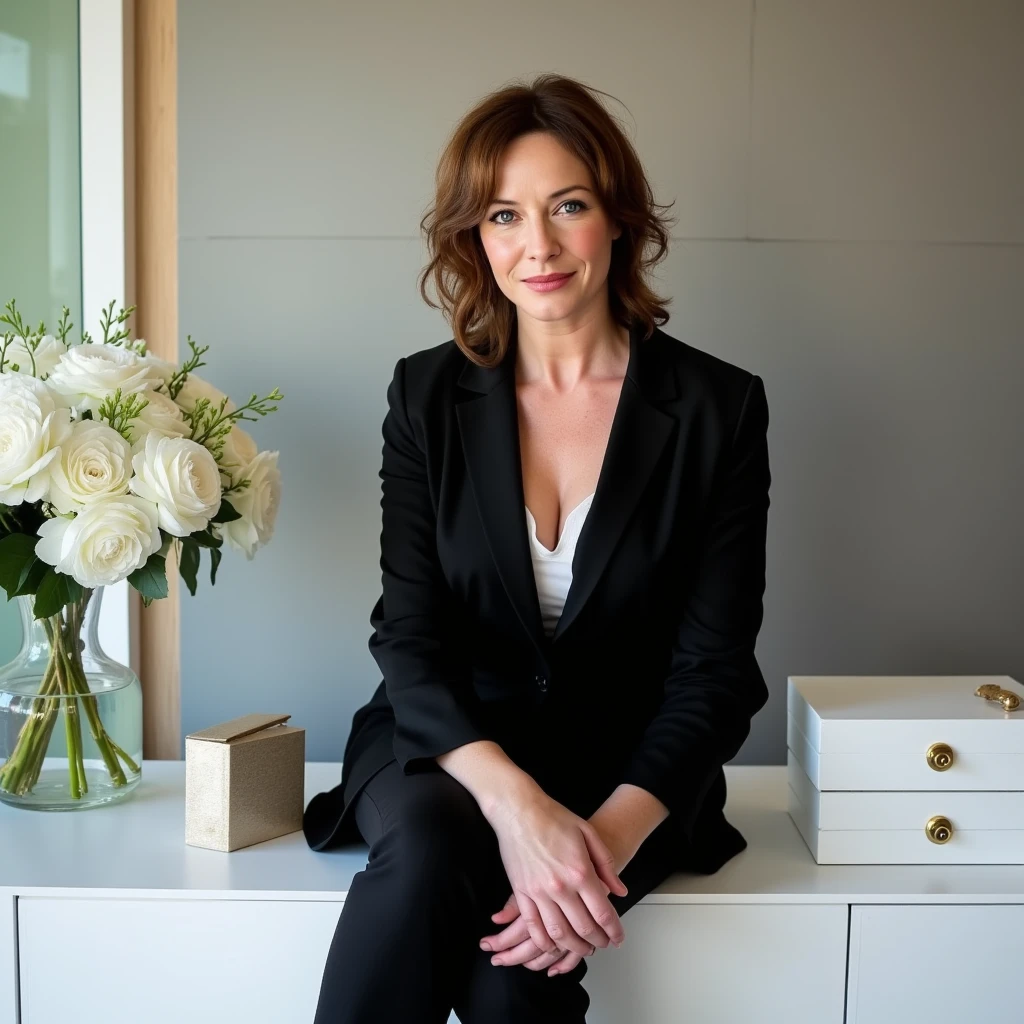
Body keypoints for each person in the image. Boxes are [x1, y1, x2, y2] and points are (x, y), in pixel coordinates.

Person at [303, 72, 772, 1023]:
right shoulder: (426, 397)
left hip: (625, 771)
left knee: (515, 975)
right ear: (475, 238)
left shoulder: (718, 409)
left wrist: (595, 842)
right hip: (445, 753)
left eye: (568, 206)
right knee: (432, 847)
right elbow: (410, 637)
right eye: (504, 216)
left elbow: (716, 675)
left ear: (618, 219)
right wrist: (519, 810)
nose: (538, 246)